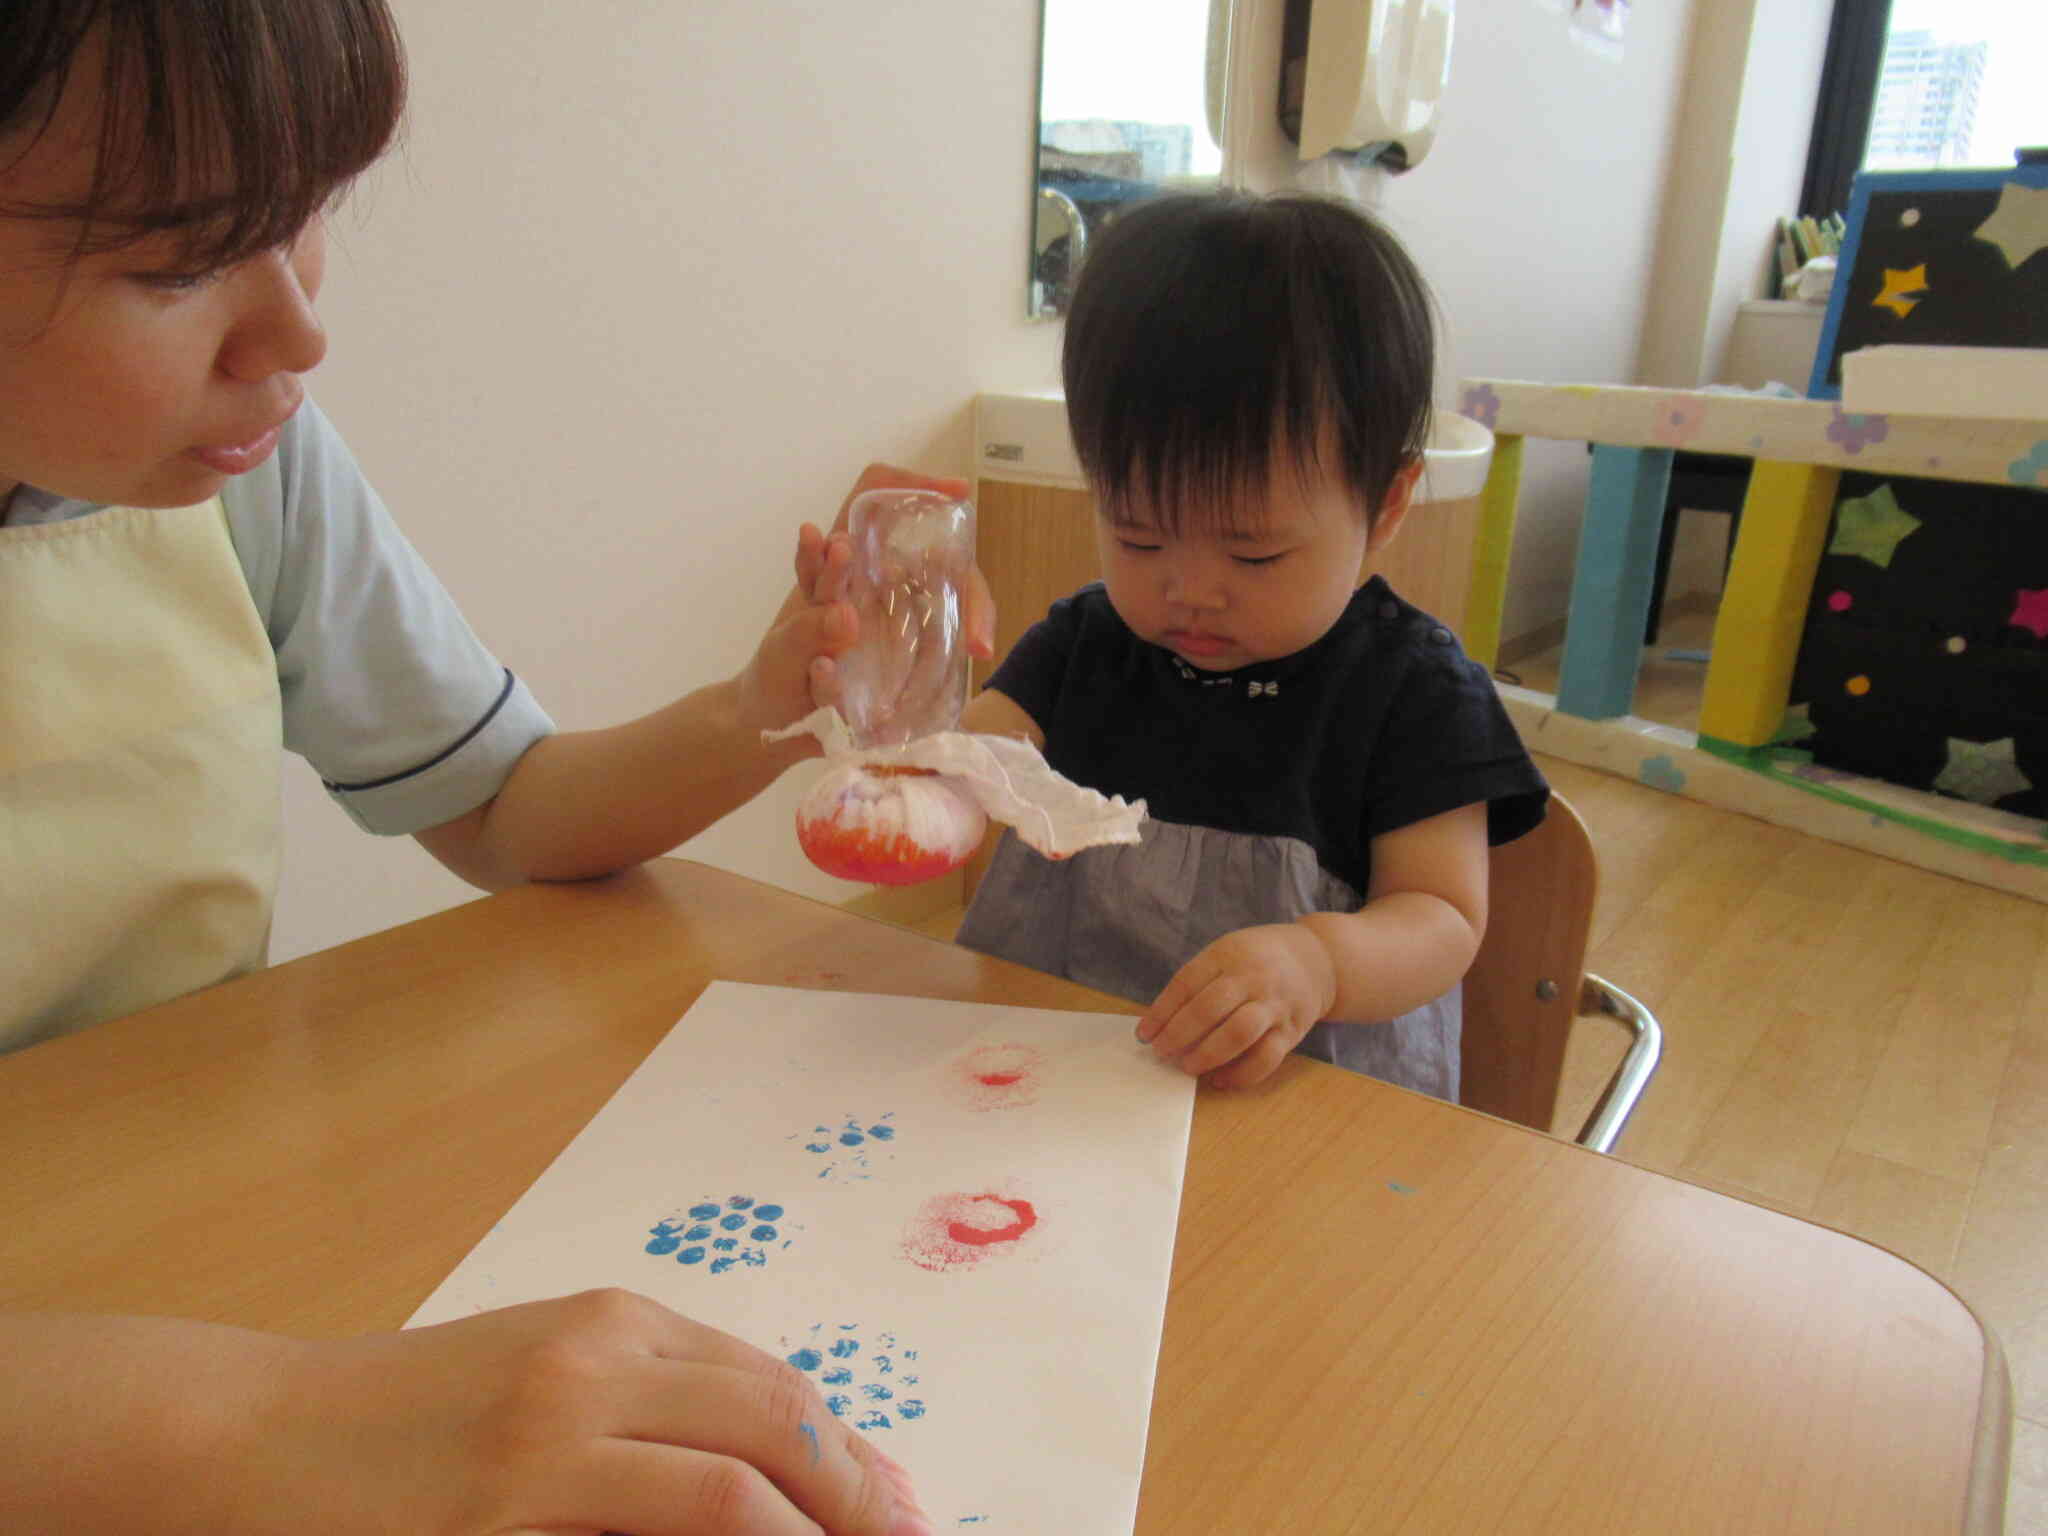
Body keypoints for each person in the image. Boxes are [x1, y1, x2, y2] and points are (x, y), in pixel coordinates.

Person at [1, 2, 955, 1530]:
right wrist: (284, 1426)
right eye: (174, 257)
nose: (300, 333)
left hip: (207, 1252)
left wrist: (757, 707)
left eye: (305, 211)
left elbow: (507, 808)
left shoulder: (243, 470)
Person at [955, 191, 1549, 1098]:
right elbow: (979, 752)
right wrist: (920, 761)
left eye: (1254, 550)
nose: (1189, 589)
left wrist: (1320, 963)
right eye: (1140, 538)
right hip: (1060, 1080)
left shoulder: (1411, 692)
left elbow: (1441, 916)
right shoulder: (1090, 644)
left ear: (1385, 505)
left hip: (1301, 1103)